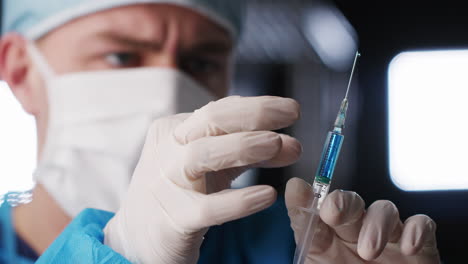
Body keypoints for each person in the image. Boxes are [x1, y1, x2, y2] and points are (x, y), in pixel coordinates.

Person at [0, 0, 441, 263]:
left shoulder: (293, 244)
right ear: (20, 71)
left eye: (200, 63)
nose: (167, 91)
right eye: (121, 57)